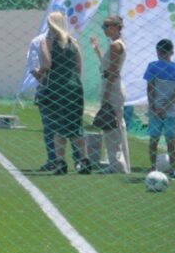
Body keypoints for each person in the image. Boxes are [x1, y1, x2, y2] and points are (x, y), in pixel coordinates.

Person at [38, 12, 90, 174]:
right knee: (75, 126)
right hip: (74, 87)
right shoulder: (73, 42)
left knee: (58, 127)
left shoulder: (46, 41)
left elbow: (46, 64)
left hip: (56, 88)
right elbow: (79, 66)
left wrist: (39, 73)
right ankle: (85, 161)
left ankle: (60, 162)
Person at [88, 16, 129, 174]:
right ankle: (119, 163)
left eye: (107, 26)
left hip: (112, 87)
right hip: (111, 85)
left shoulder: (115, 45)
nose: (104, 29)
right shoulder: (115, 44)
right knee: (116, 125)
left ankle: (117, 165)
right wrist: (97, 49)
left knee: (111, 127)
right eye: (103, 26)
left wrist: (106, 94)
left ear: (117, 27)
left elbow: (112, 72)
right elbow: (107, 67)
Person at [143, 38, 175, 179]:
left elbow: (150, 88)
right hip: (171, 110)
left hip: (155, 109)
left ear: (158, 51)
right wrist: (166, 106)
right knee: (171, 141)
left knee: (153, 139)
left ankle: (152, 168)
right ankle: (173, 170)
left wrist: (153, 107)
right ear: (172, 52)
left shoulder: (153, 66)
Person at [27, 28, 57, 170]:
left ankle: (58, 159)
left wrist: (43, 78)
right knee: (52, 126)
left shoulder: (69, 41)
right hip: (56, 88)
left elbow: (43, 66)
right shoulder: (38, 41)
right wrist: (43, 79)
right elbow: (34, 66)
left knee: (53, 127)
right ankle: (57, 159)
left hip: (56, 88)